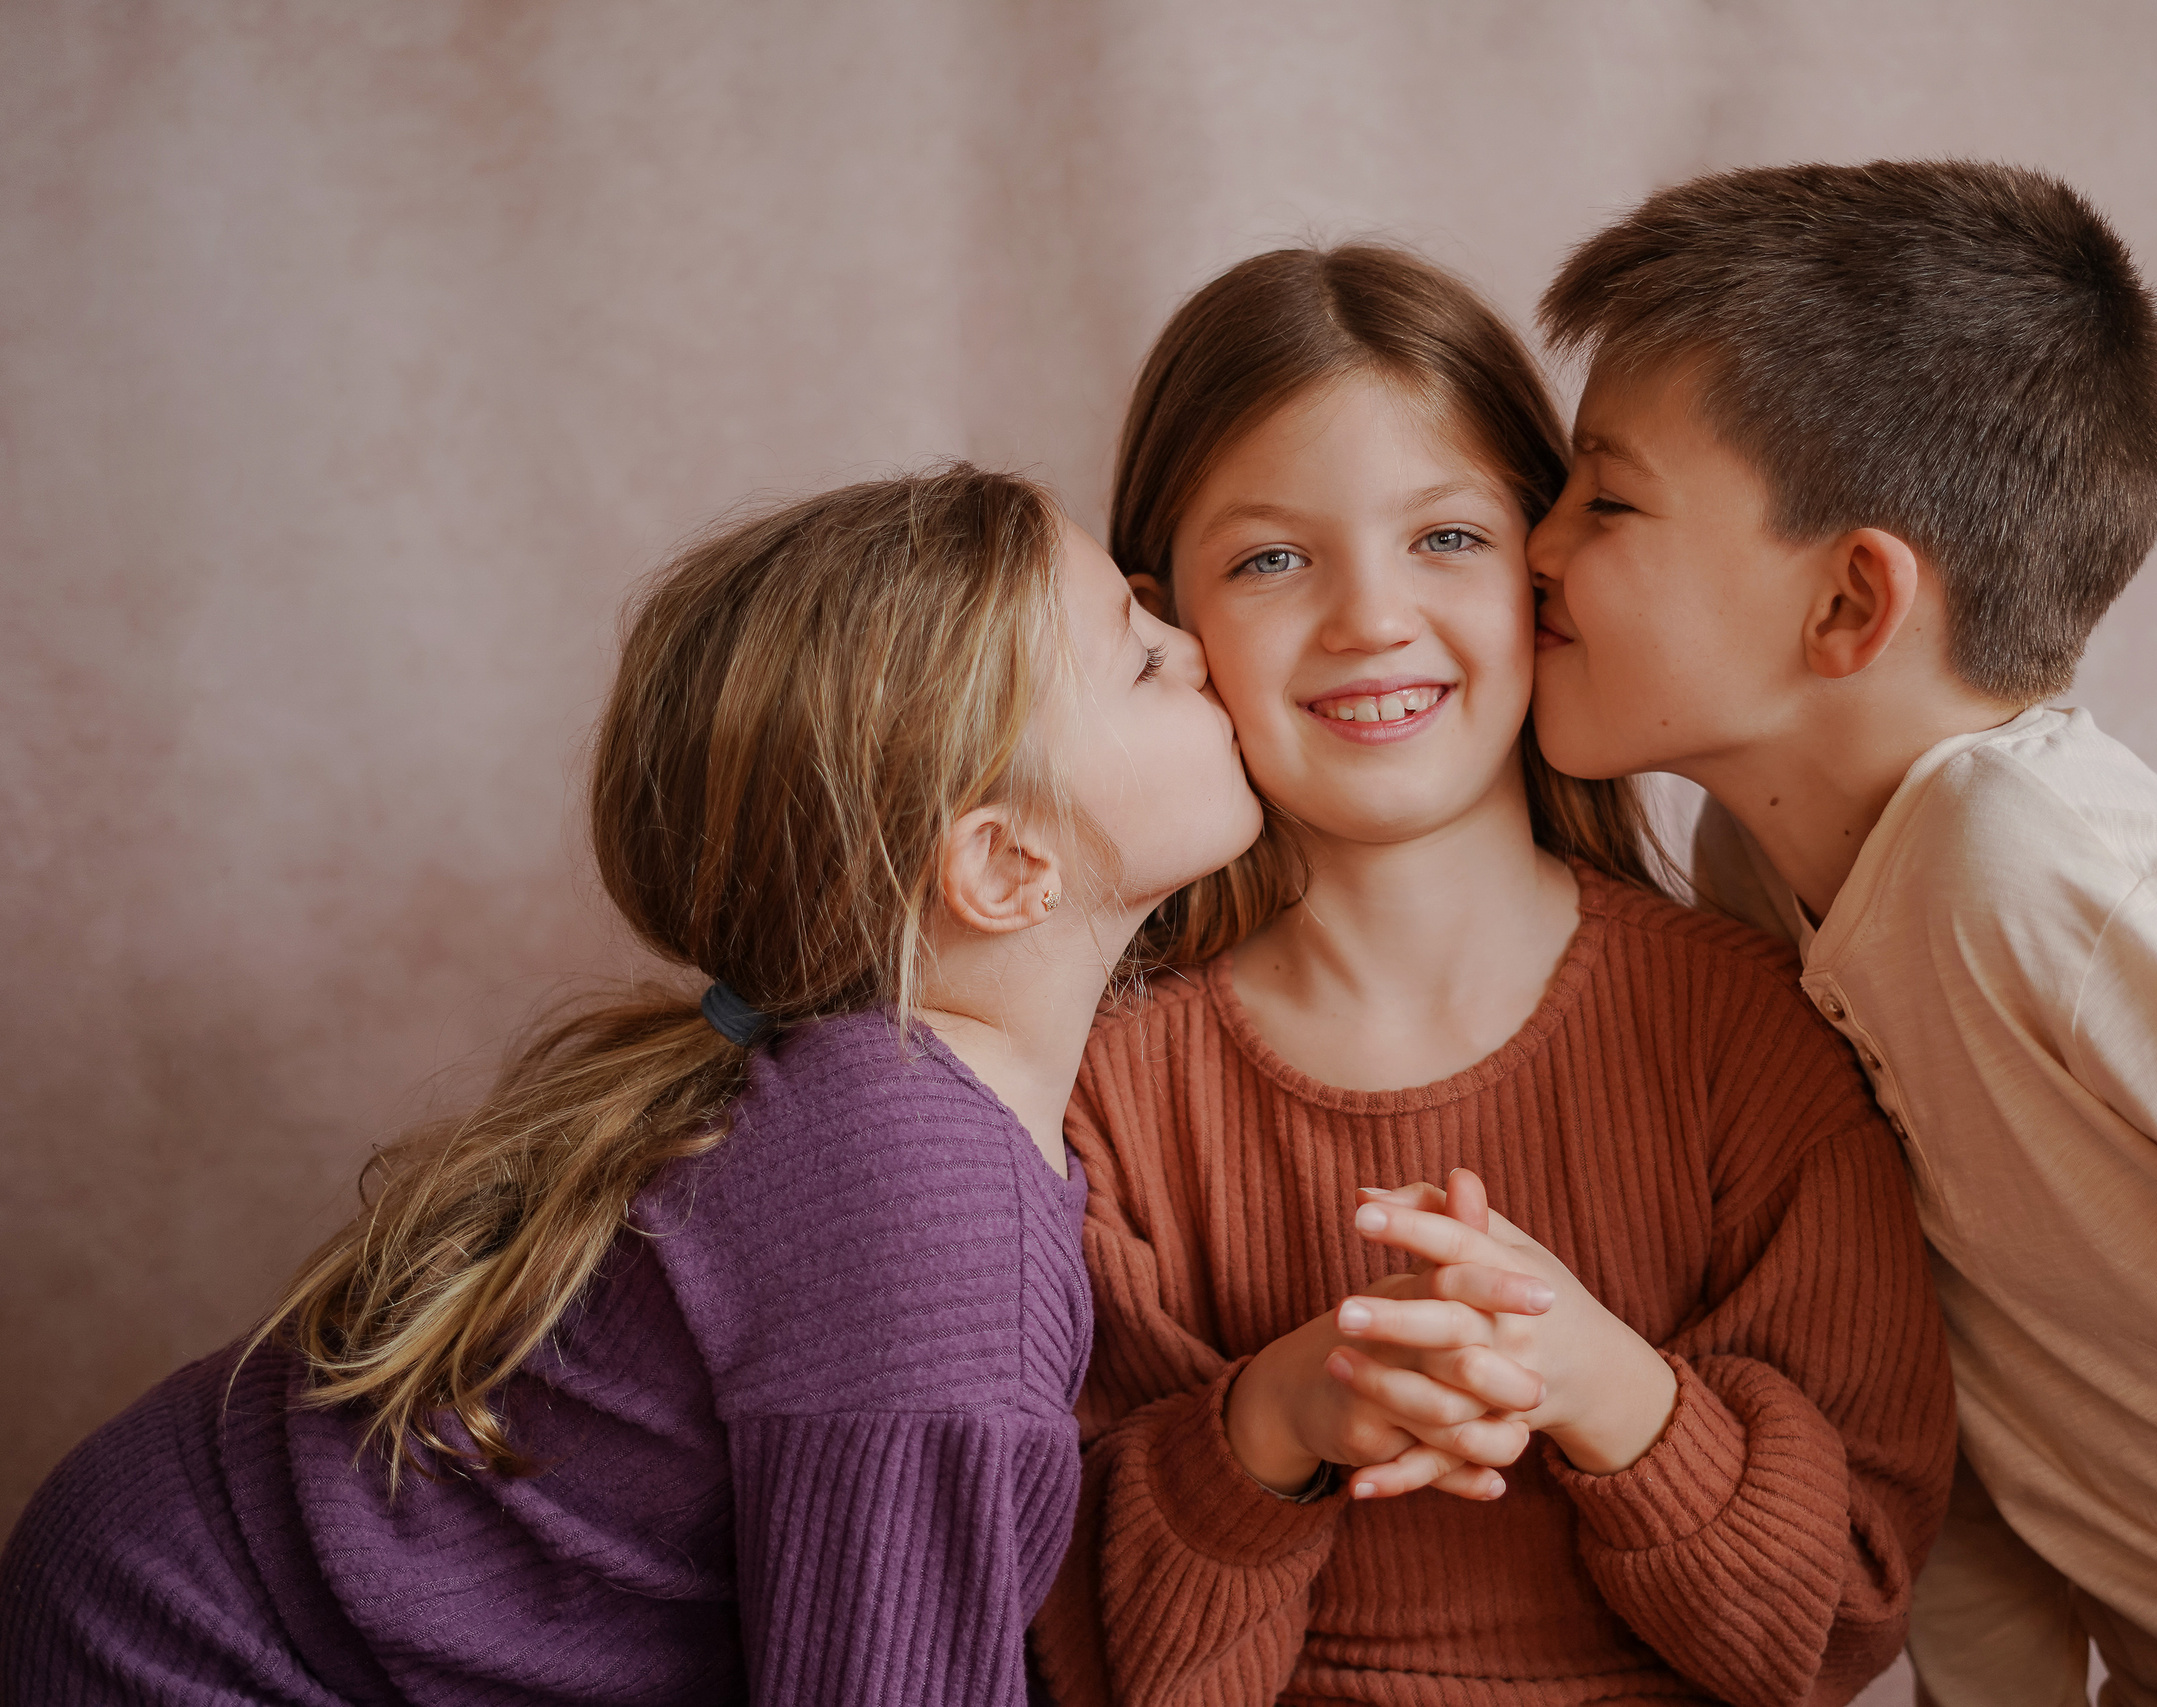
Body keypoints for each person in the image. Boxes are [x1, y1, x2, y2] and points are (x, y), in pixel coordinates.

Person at [1525, 159, 2157, 1706]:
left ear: (1850, 605)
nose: (1534, 547)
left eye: (1604, 498)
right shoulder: (1767, 863)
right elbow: (1949, 1389)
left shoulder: (2051, 875)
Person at [0, 466, 1264, 1706]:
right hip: (193, 1652)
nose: (1197, 648)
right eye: (1142, 655)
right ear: (1003, 863)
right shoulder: (929, 1215)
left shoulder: (895, 1114)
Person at [1033, 244, 1956, 1707]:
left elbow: (1840, 1621)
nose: (1369, 619)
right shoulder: (1097, 1093)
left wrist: (1601, 1384)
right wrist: (1272, 1420)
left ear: (1549, 572)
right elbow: (1072, 1655)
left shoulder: (1746, 1030)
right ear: (1168, 632)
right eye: (1273, 558)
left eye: (1446, 538)